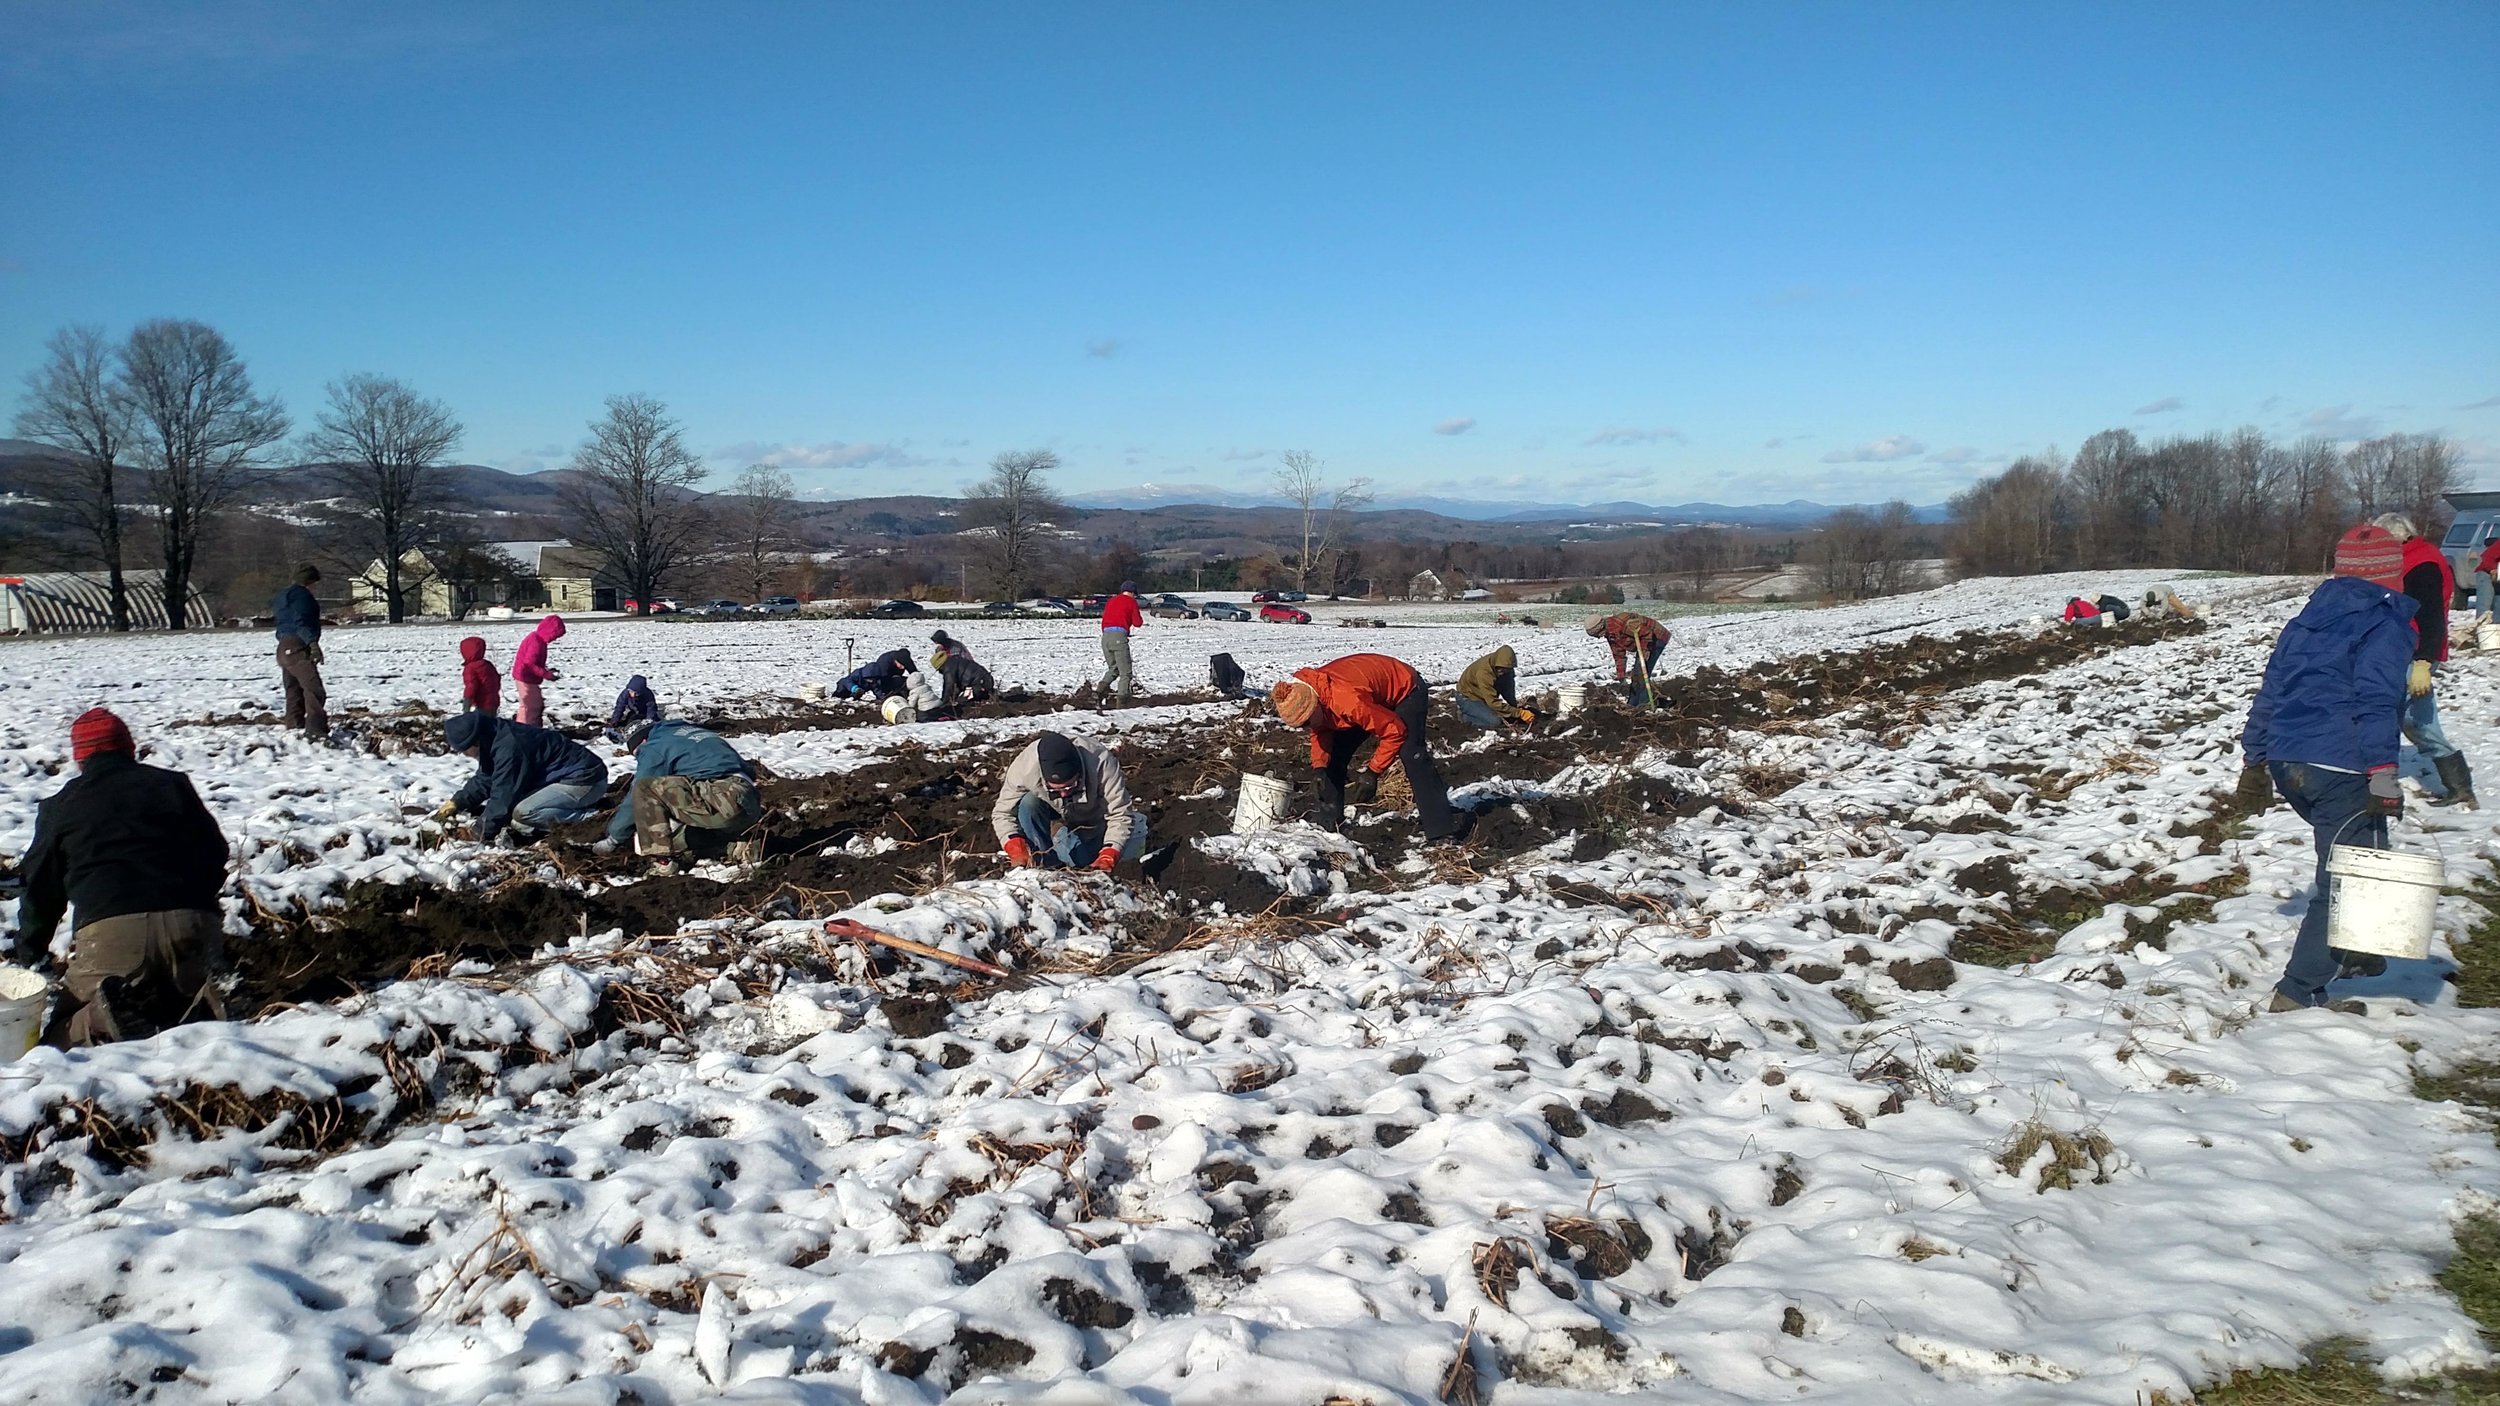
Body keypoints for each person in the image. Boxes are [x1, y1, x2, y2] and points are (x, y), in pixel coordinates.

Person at [2239, 524, 2418, 1012]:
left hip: (2289, 760)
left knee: (2361, 856)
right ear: (2390, 574)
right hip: (2339, 762)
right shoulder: (2386, 623)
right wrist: (2383, 771)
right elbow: (2378, 699)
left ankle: (2358, 953)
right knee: (2346, 878)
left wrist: (2254, 759)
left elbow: (2273, 689)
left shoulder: (2306, 620)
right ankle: (2299, 991)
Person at [12, 709, 231, 1046]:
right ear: (129, 748)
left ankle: (98, 1017)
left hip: (112, 934)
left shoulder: (61, 806)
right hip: (194, 922)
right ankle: (212, 995)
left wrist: (31, 951)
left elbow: (40, 888)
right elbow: (215, 852)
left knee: (57, 1039)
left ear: (80, 758)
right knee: (180, 1000)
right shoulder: (173, 785)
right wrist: (198, 903)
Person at [1271, 653, 1462, 842]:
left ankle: (1441, 829)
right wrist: (1319, 768)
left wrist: (1372, 772)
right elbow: (1321, 731)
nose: (1307, 728)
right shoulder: (1314, 697)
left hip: (1405, 689)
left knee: (1412, 754)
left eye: (1307, 722)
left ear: (1315, 706)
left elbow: (1394, 730)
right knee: (1333, 760)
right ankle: (1330, 824)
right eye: (1302, 726)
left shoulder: (1348, 701)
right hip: (1368, 697)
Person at [2378, 514, 2477, 809]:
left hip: (2414, 653)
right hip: (2403, 651)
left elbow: (2432, 616)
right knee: (2419, 720)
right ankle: (2460, 787)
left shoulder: (2422, 565)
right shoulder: (2409, 558)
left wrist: (2424, 660)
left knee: (2384, 713)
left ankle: (2372, 780)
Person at [593, 720, 761, 871]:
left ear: (642, 742)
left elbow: (637, 795)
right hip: (749, 801)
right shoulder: (684, 733)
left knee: (646, 788)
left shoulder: (654, 747)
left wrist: (614, 838)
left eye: (637, 754)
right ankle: (736, 848)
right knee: (682, 835)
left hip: (722, 797)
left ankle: (662, 862)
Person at [437, 710, 608, 847]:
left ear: (475, 741)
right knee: (521, 822)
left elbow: (504, 794)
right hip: (565, 778)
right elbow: (487, 777)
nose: (464, 755)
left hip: (586, 780)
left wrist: (478, 832)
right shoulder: (493, 737)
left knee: (524, 813)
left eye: (464, 750)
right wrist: (458, 802)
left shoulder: (509, 748)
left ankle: (593, 820)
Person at [991, 730, 1148, 871]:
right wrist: (1013, 844)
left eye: (1070, 786)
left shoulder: (1101, 763)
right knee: (1029, 803)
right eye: (1055, 789)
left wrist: (1110, 852)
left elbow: (1119, 814)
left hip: (1092, 821)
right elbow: (1002, 813)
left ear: (1079, 773)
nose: (1064, 794)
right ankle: (1044, 865)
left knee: (1083, 865)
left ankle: (1064, 839)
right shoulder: (1024, 768)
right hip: (1050, 810)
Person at [273, 563, 328, 741]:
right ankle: (315, 728)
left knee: (294, 690)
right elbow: (301, 621)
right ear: (309, 582)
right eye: (315, 583)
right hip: (297, 646)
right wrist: (312, 643)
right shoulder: (303, 597)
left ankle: (293, 726)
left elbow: (284, 622)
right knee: (314, 688)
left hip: (283, 647)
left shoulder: (283, 596)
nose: (316, 588)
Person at [1587, 612, 1670, 706]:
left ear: (1600, 629)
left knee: (1642, 673)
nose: (1598, 638)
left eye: (1596, 635)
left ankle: (1645, 704)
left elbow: (1646, 633)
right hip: (1644, 640)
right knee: (1636, 675)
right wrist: (1621, 675)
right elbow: (1618, 655)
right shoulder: (1610, 633)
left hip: (1656, 636)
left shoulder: (1621, 624)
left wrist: (1644, 651)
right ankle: (1632, 705)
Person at [1457, 645, 1534, 729]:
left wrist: (1514, 706)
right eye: (1500, 669)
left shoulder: (1507, 670)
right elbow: (1493, 702)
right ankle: (1466, 716)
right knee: (1494, 722)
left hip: (1485, 696)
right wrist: (1520, 713)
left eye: (1506, 670)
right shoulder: (1484, 673)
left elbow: (1508, 689)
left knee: (1505, 714)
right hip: (1469, 696)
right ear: (1496, 665)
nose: (1503, 672)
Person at [512, 614, 566, 726]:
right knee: (530, 707)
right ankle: (526, 729)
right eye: (555, 636)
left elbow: (535, 661)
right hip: (525, 678)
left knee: (534, 704)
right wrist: (547, 675)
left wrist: (546, 670)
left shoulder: (538, 639)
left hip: (527, 677)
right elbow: (529, 664)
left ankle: (530, 727)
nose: (554, 639)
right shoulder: (536, 642)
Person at [1100, 582, 1143, 706]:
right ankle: (1122, 703)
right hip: (1119, 637)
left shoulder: (1111, 601)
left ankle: (1097, 693)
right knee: (1125, 673)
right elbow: (1137, 622)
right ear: (1133, 592)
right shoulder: (1131, 602)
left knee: (1114, 669)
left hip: (1105, 638)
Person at [835, 647, 917, 700]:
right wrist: (855, 689)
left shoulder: (905, 660)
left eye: (904, 666)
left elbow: (876, 687)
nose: (903, 668)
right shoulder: (882, 665)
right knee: (842, 692)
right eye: (901, 665)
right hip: (847, 688)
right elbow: (846, 681)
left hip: (864, 687)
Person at [935, 650, 996, 719]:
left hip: (979, 684)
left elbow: (949, 686)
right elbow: (957, 685)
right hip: (983, 680)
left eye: (939, 670)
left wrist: (944, 703)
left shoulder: (948, 668)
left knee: (963, 704)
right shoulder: (953, 661)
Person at [460, 637, 502, 715]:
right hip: (493, 701)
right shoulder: (488, 664)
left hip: (482, 703)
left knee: (481, 724)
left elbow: (471, 687)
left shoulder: (470, 668)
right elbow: (496, 680)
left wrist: (466, 705)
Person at [2475, 535, 2500, 625]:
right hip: (2486, 573)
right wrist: (2492, 569)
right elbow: (2487, 556)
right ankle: (2481, 632)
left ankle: (2495, 632)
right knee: (2484, 607)